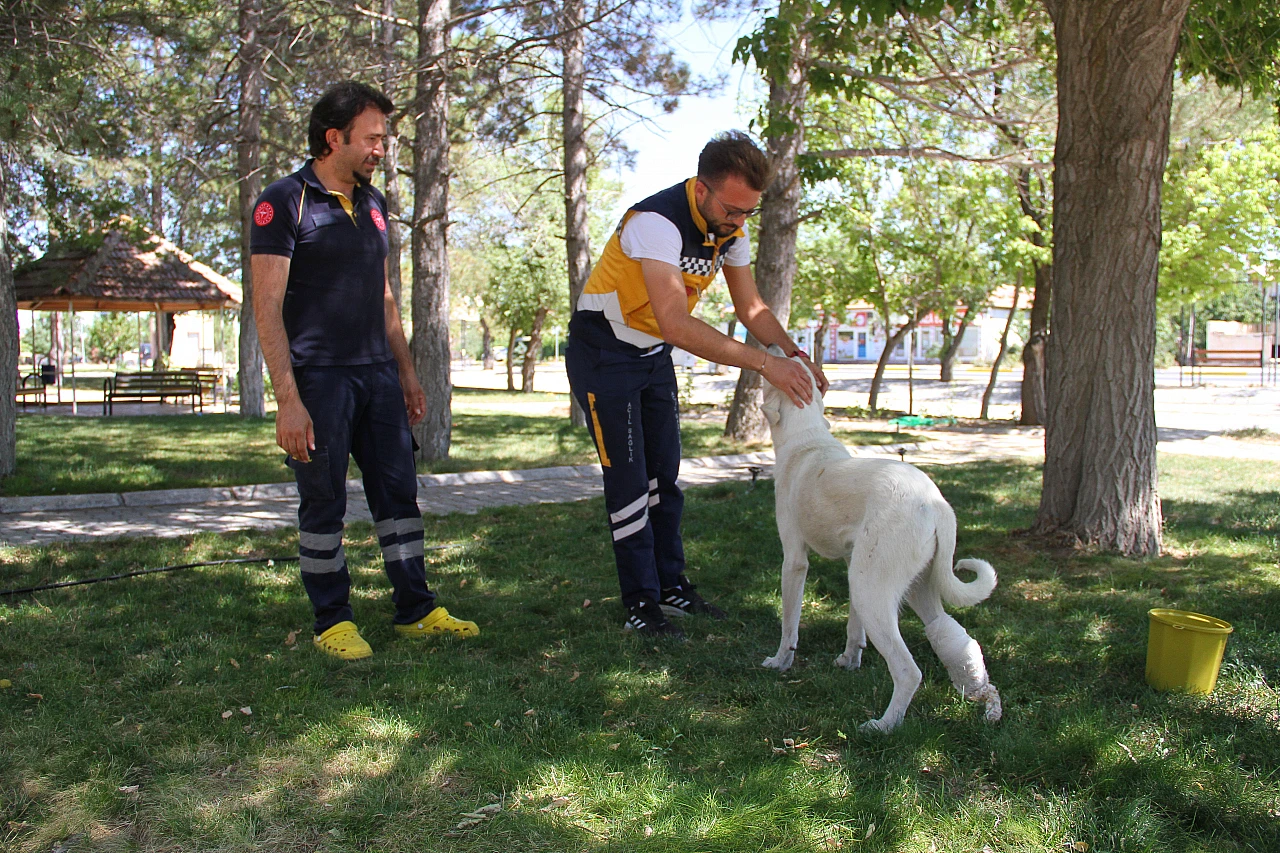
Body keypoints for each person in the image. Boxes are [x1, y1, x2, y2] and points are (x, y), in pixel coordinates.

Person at [566, 131, 829, 639]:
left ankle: (670, 585)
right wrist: (765, 365)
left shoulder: (731, 228)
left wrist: (793, 354)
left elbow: (751, 308)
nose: (739, 222)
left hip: (651, 354)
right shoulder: (656, 223)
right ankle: (640, 602)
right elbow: (676, 324)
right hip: (604, 353)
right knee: (629, 482)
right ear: (702, 189)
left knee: (664, 477)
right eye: (732, 209)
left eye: (749, 212)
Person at [250, 81, 478, 660]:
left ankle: (416, 611)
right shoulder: (284, 201)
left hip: (378, 376)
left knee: (399, 495)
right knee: (323, 501)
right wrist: (288, 400)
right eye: (372, 139)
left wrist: (406, 373)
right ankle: (332, 622)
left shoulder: (374, 204)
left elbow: (384, 296)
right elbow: (266, 308)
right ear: (335, 138)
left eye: (384, 139)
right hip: (318, 380)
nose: (382, 149)